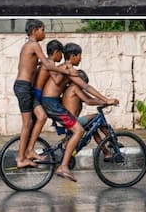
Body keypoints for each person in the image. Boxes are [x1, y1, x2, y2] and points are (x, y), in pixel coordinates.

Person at [41, 43, 118, 182]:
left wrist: (104, 101)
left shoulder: (66, 69)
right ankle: (63, 166)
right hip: (51, 103)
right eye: (80, 56)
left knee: (87, 128)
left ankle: (106, 150)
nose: (81, 59)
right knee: (79, 131)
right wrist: (106, 100)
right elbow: (86, 87)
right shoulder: (68, 69)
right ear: (73, 56)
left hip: (51, 103)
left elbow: (86, 95)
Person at [12, 19, 78, 169]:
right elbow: (48, 65)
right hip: (23, 87)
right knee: (27, 123)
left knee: (41, 116)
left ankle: (29, 150)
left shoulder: (28, 46)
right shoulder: (34, 45)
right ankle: (21, 157)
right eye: (43, 30)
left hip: (25, 87)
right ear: (35, 30)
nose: (44, 33)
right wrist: (66, 70)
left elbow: (35, 67)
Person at [25, 39, 65, 162]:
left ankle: (28, 148)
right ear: (56, 52)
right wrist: (68, 72)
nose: (62, 57)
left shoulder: (45, 62)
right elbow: (57, 80)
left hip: (36, 94)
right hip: (36, 94)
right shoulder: (50, 63)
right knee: (42, 117)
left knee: (37, 121)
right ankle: (30, 150)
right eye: (61, 54)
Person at [62, 69, 116, 159]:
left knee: (94, 129)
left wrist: (106, 102)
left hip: (71, 120)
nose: (83, 87)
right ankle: (111, 139)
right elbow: (88, 101)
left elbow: (92, 99)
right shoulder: (74, 89)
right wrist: (106, 101)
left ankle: (106, 152)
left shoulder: (72, 89)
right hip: (73, 121)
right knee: (97, 117)